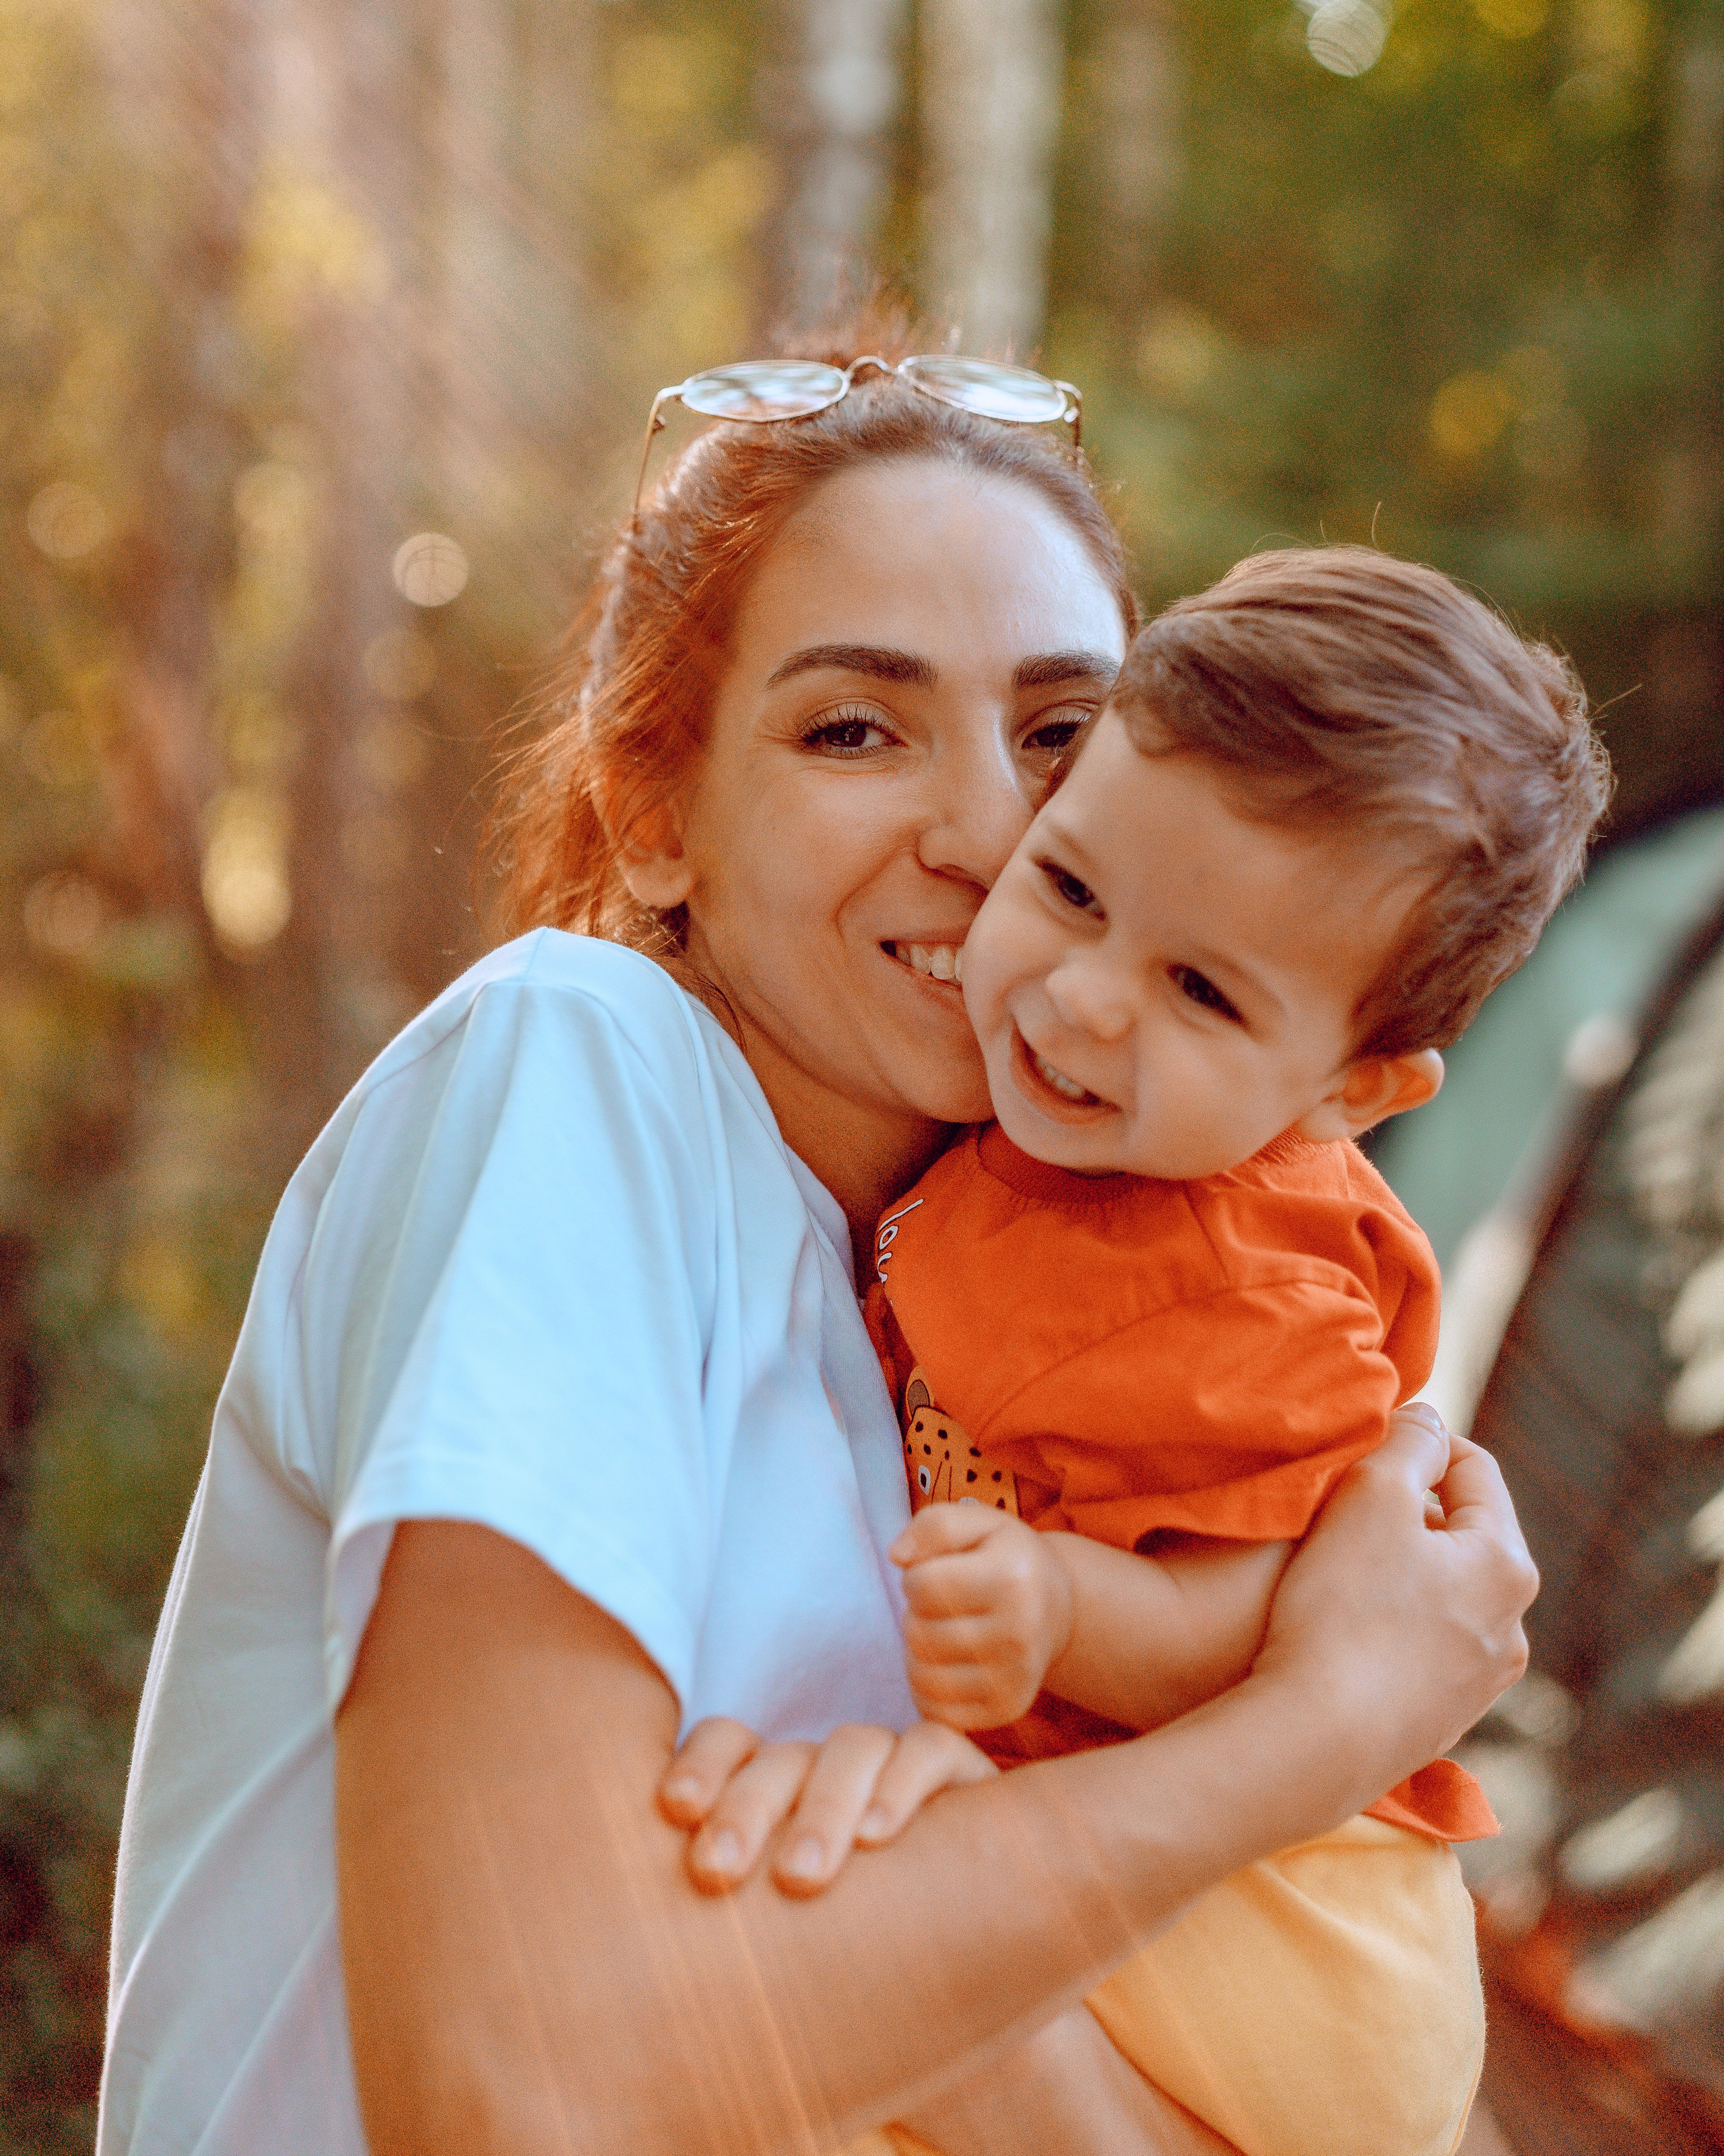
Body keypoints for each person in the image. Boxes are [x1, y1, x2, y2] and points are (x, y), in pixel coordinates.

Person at [96, 311, 1537, 2156]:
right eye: (854, 727)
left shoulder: (962, 1311)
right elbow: (513, 2078)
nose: (986, 832)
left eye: (1060, 734)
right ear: (653, 812)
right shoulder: (579, 1062)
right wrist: (1322, 1725)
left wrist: (942, 1985)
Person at [795, 547, 1606, 2156]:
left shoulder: (1233, 1282)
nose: (1084, 1000)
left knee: (806, 1970)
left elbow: (1273, 1624)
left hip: (1285, 1930)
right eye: (1072, 889)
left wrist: (1055, 1605)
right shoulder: (1062, 1153)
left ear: (1352, 1089)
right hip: (1203, 1895)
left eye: (1199, 989)